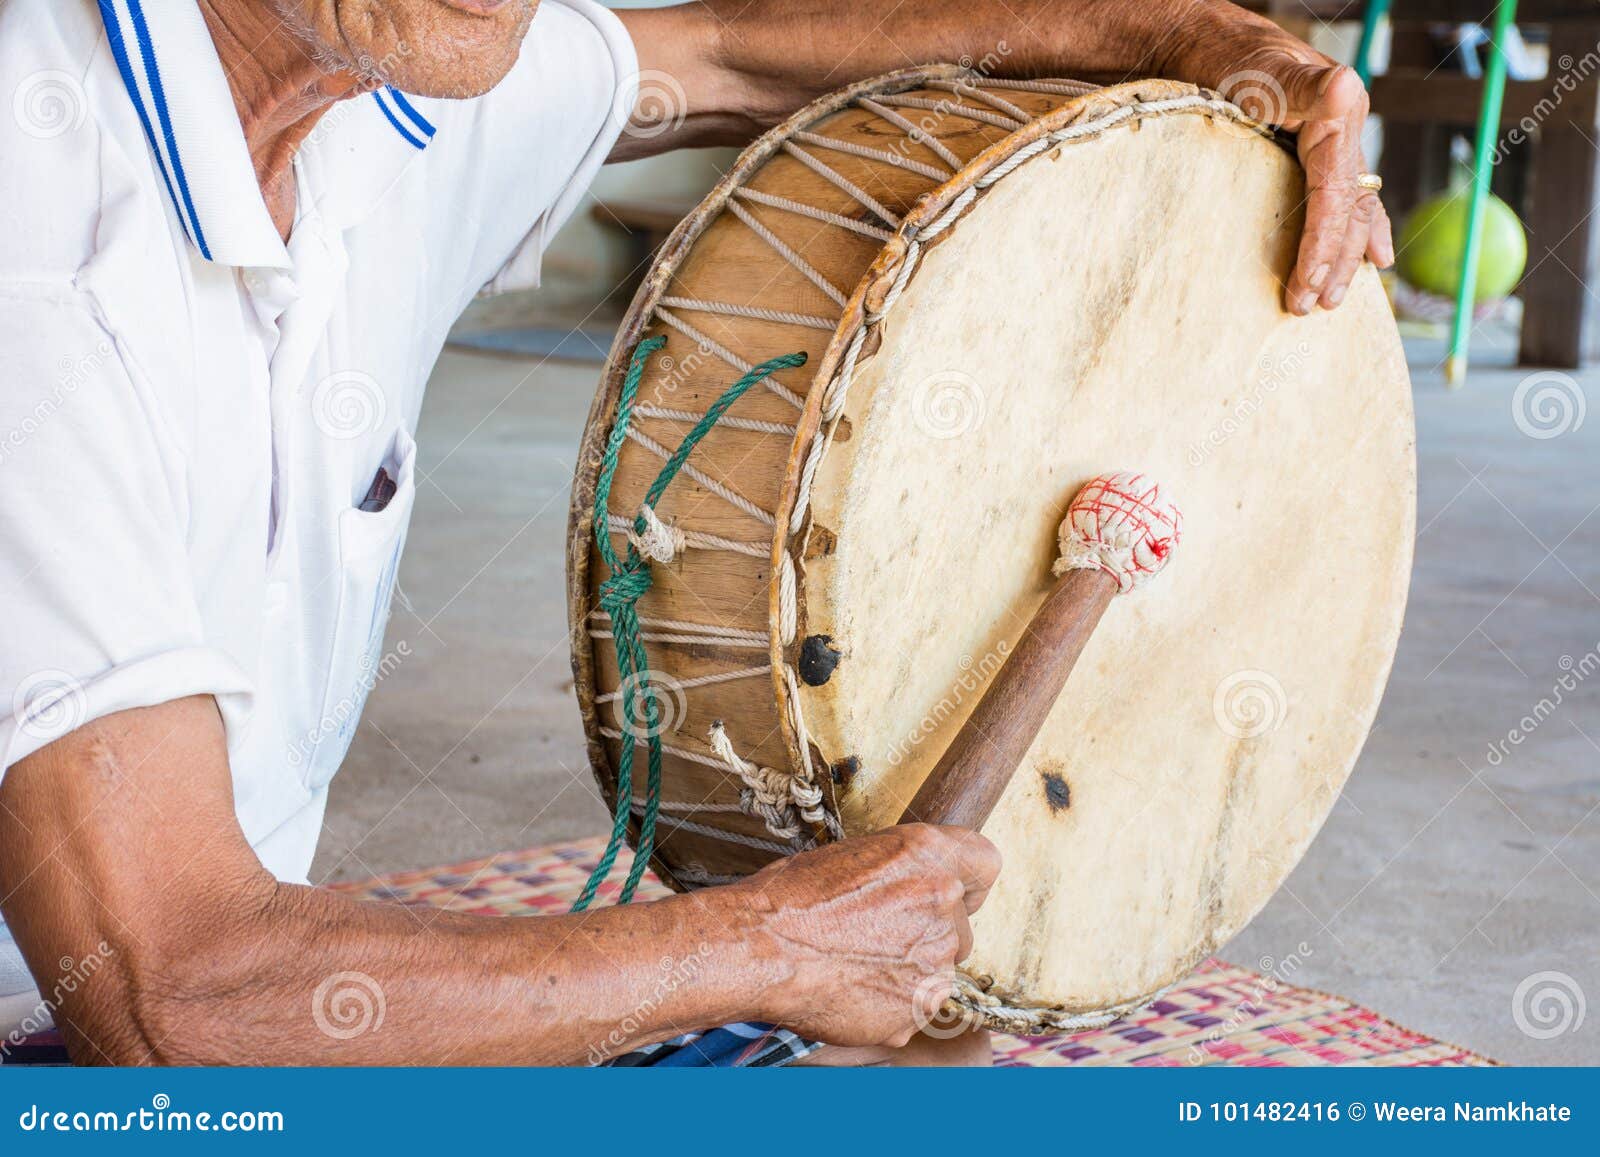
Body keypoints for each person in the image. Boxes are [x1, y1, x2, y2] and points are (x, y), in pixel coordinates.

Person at [0, 0, 1389, 1066]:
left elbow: (731, 52)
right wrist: (767, 941)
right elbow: (168, 985)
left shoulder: (395, 69)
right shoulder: (41, 224)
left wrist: (1206, 38)